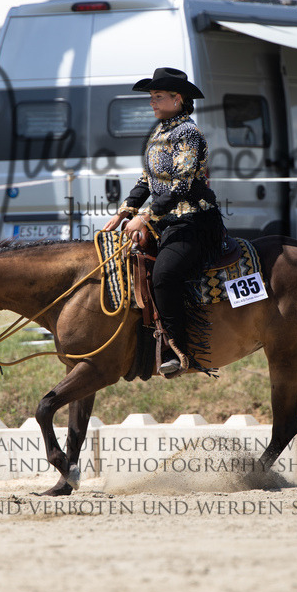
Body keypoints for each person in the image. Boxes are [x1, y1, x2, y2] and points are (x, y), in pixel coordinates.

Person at [102, 67, 225, 376]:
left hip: (192, 222)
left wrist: (145, 217)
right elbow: (147, 181)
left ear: (177, 98)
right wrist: (123, 213)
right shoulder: (159, 132)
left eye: (157, 97)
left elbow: (181, 185)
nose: (152, 103)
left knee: (164, 276)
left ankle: (177, 349)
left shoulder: (188, 133)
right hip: (166, 221)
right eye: (152, 97)